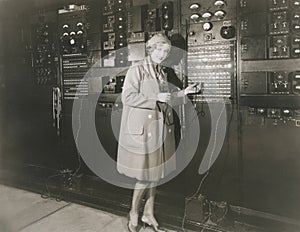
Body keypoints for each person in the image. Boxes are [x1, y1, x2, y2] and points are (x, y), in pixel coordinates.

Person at [117, 33, 197, 232]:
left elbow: (166, 98)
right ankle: (134, 213)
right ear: (151, 49)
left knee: (156, 174)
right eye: (159, 49)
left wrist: (184, 93)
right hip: (144, 132)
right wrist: (155, 97)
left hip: (161, 130)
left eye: (167, 51)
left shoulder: (162, 72)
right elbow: (127, 97)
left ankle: (148, 212)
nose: (163, 54)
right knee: (145, 176)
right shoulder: (137, 69)